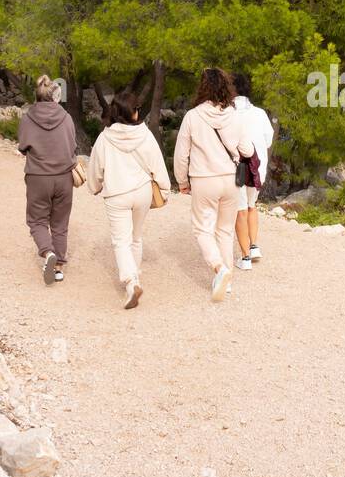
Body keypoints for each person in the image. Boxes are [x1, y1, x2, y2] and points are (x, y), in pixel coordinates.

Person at [173, 68, 254, 302]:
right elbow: (247, 150)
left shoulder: (192, 116)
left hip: (203, 180)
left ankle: (219, 269)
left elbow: (181, 155)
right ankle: (226, 282)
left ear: (203, 87)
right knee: (225, 230)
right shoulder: (234, 115)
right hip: (230, 180)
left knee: (202, 228)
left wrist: (182, 181)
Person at [86, 90, 171, 310]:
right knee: (136, 237)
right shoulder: (145, 135)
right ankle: (136, 278)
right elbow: (157, 164)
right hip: (142, 192)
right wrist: (165, 189)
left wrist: (94, 187)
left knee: (120, 241)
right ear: (132, 113)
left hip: (117, 193)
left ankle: (131, 282)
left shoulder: (105, 137)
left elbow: (96, 167)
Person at [17, 75, 77, 285]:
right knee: (60, 223)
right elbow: (73, 146)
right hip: (63, 178)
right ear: (55, 97)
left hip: (38, 177)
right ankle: (59, 267)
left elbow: (23, 146)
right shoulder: (67, 117)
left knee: (37, 220)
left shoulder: (27, 118)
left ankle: (47, 252)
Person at [231, 72, 274, 271]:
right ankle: (254, 246)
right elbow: (268, 140)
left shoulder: (228, 114)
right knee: (251, 205)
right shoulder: (260, 113)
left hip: (237, 171)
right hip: (258, 169)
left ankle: (245, 257)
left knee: (239, 211)